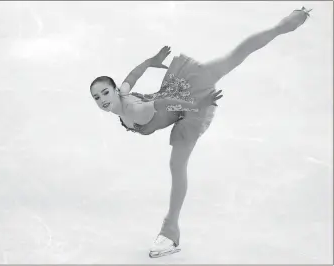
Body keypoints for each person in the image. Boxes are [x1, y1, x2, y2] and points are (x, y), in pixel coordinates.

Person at [90, 7, 312, 258]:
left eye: (105, 93)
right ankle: (286, 25)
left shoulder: (134, 110)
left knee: (235, 57)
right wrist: (150, 62)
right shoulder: (123, 94)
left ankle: (170, 230)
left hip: (188, 103)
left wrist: (197, 104)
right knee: (234, 57)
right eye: (97, 97)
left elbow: (164, 105)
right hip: (179, 97)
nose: (102, 99)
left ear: (113, 90)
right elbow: (132, 76)